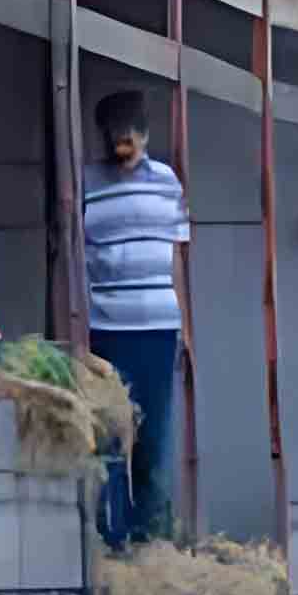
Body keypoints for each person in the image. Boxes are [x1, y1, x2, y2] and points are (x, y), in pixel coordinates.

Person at [82, 90, 190, 545]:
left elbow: (177, 256)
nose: (123, 149)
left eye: (131, 140)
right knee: (107, 440)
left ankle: (150, 547)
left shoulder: (167, 181)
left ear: (144, 136)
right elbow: (73, 254)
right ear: (104, 139)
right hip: (105, 329)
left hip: (159, 329)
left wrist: (185, 326)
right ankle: (113, 542)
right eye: (115, 141)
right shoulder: (85, 182)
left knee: (153, 444)